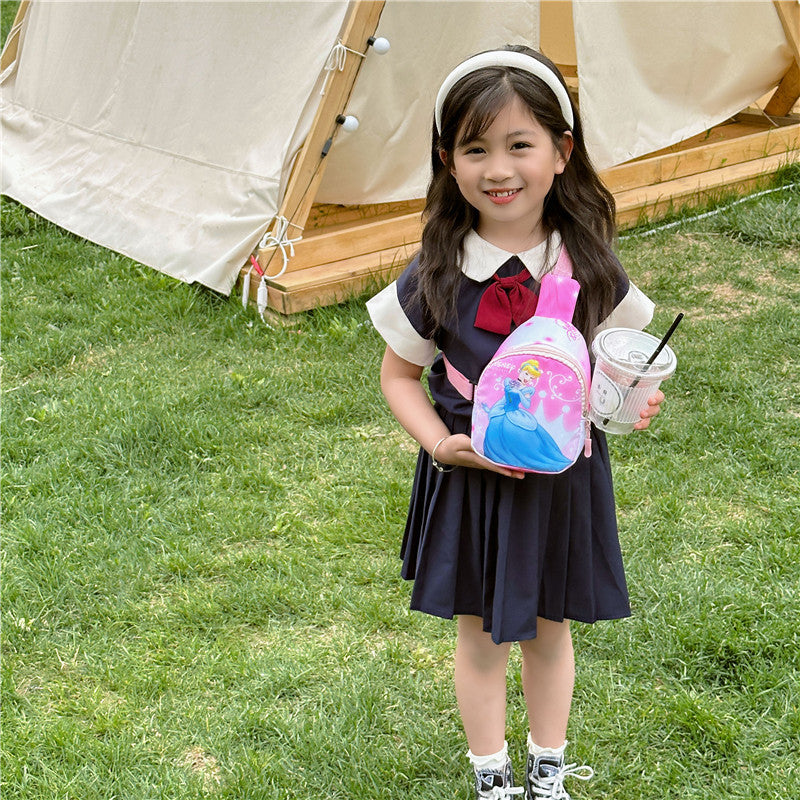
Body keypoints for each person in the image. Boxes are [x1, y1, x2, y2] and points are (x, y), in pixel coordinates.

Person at [366, 45, 664, 800]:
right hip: (471, 481)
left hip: (561, 482)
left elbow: (615, 370)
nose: (499, 169)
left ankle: (548, 774)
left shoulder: (589, 266)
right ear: (448, 160)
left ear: (562, 153)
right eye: (476, 148)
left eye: (519, 144)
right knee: (479, 636)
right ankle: (492, 779)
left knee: (549, 631)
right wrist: (441, 444)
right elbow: (399, 375)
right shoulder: (437, 267)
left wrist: (630, 399)